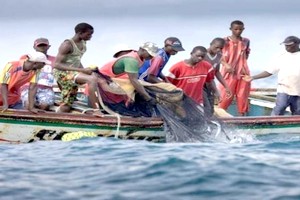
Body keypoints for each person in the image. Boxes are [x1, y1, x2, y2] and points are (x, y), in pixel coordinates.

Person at [53, 22, 102, 116]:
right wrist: (82, 71)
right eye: (88, 34)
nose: (91, 37)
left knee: (66, 106)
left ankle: (56, 116)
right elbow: (57, 65)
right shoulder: (67, 45)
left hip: (73, 72)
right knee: (91, 79)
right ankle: (96, 110)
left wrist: (85, 70)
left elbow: (76, 60)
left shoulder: (83, 42)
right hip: (61, 72)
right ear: (80, 33)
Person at [98, 42, 159, 116]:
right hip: (102, 83)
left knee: (140, 87)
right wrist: (148, 98)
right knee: (139, 88)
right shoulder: (131, 60)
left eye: (152, 55)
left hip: (114, 82)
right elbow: (134, 80)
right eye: (149, 54)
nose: (151, 56)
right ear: (142, 49)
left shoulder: (140, 59)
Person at [243, 36, 300, 115]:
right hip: (284, 88)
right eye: (285, 45)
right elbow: (269, 71)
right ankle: (272, 123)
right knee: (280, 107)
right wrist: (253, 77)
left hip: (298, 89)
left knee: (297, 111)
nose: (287, 47)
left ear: (297, 44)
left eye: (289, 45)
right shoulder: (280, 56)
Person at [218, 20, 251, 116]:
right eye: (235, 29)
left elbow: (247, 54)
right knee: (226, 95)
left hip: (243, 73)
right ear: (231, 29)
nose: (238, 31)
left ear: (243, 29)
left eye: (240, 29)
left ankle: (243, 118)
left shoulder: (246, 41)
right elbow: (214, 54)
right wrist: (225, 64)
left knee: (242, 96)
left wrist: (242, 65)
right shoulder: (224, 41)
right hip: (228, 73)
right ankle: (221, 117)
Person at [20, 38, 56, 111]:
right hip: (28, 87)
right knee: (28, 104)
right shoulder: (26, 58)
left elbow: (60, 75)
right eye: (40, 45)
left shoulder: (55, 59)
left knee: (44, 106)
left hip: (46, 89)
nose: (42, 47)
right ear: (34, 47)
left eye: (44, 45)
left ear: (48, 46)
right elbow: (19, 74)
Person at [203, 38, 232, 117]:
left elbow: (216, 72)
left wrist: (226, 86)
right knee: (206, 107)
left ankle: (209, 126)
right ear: (211, 44)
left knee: (211, 109)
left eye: (221, 48)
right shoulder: (202, 54)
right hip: (200, 85)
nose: (218, 50)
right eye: (216, 47)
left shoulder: (219, 55)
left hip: (210, 85)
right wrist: (216, 90)